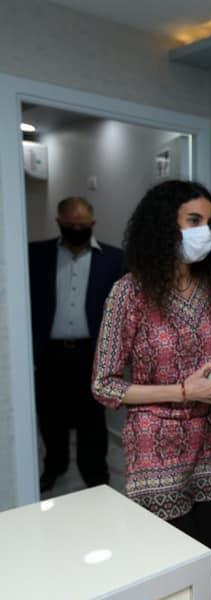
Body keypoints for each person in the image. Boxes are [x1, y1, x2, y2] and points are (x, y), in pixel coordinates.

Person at [92, 180, 211, 571]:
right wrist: (182, 391)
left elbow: (205, 353)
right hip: (157, 449)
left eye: (209, 223)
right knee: (170, 565)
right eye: (193, 220)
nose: (203, 232)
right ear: (163, 223)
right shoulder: (129, 293)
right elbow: (104, 384)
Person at [28, 197, 122, 493]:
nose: (77, 230)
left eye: (82, 226)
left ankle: (96, 477)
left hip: (91, 353)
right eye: (70, 225)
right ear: (59, 223)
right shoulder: (35, 255)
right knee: (50, 416)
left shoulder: (114, 259)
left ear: (93, 224)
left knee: (92, 420)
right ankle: (54, 467)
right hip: (50, 353)